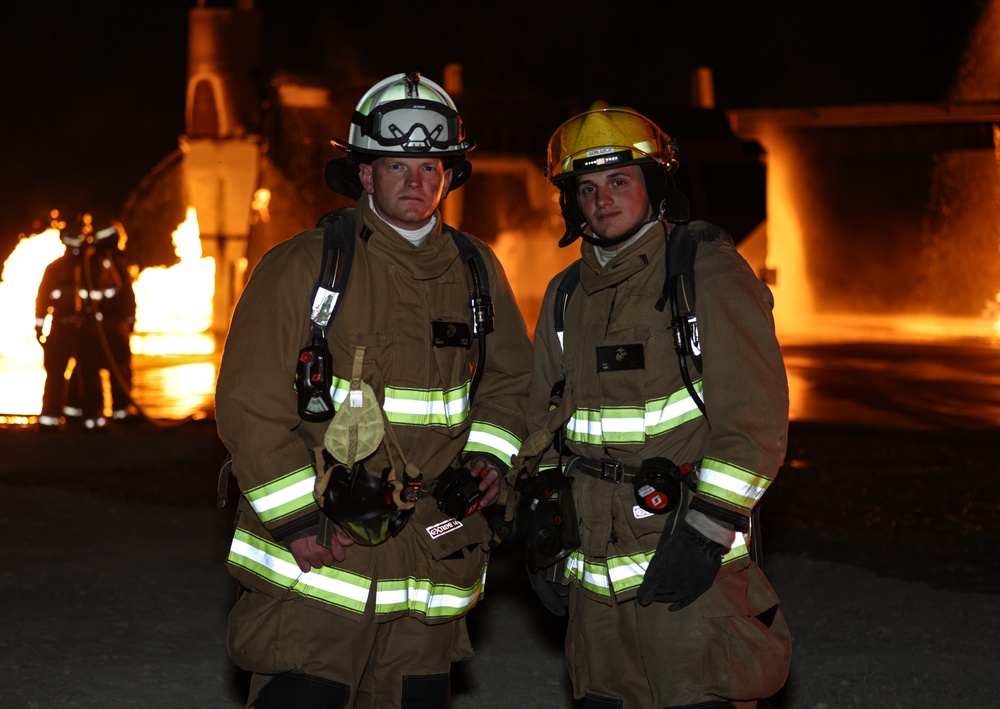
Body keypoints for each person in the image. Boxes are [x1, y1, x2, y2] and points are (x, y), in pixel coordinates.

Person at [215, 71, 533, 709]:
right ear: (364, 174)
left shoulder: (476, 272)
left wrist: (491, 459)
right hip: (320, 568)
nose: (415, 182)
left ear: (449, 174)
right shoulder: (305, 266)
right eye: (396, 165)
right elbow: (249, 407)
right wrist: (298, 518)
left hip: (428, 574)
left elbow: (512, 383)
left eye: (429, 166)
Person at [514, 104, 792, 708]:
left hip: (689, 569)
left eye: (619, 181)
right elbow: (541, 425)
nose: (602, 200)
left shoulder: (707, 275)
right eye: (586, 187)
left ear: (656, 185)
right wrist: (539, 520)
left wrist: (706, 531)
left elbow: (754, 426)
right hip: (592, 581)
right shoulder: (566, 297)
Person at [35, 223, 88, 431]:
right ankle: (54, 417)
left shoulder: (86, 268)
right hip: (64, 328)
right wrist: (39, 327)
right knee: (59, 372)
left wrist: (39, 328)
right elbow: (42, 300)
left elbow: (42, 301)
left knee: (79, 372)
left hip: (78, 329)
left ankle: (65, 414)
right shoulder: (58, 268)